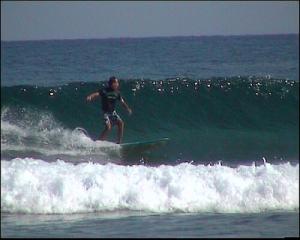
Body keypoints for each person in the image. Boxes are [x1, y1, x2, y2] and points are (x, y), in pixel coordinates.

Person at [86, 76, 132, 144]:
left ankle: (119, 142)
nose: (118, 84)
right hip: (106, 113)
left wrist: (127, 108)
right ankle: (98, 142)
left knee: (121, 123)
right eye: (116, 82)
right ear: (112, 83)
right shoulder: (105, 90)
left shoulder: (117, 93)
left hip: (113, 113)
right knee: (108, 127)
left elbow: (122, 102)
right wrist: (90, 96)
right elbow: (96, 94)